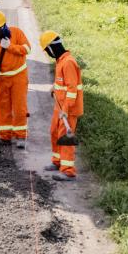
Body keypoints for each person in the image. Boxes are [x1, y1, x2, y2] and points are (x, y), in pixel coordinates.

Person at [0, 10, 31, 148]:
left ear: (4, 26)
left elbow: (27, 49)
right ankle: (4, 137)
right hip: (1, 80)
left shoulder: (16, 32)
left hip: (19, 77)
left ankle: (21, 136)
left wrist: (10, 47)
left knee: (19, 107)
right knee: (1, 107)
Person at [40, 31, 83, 181]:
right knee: (54, 132)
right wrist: (54, 87)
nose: (47, 53)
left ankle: (68, 170)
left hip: (68, 110)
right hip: (60, 107)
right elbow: (62, 82)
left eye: (46, 50)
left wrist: (65, 110)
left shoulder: (69, 62)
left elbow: (72, 90)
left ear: (52, 48)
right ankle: (57, 162)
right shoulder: (61, 60)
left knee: (65, 139)